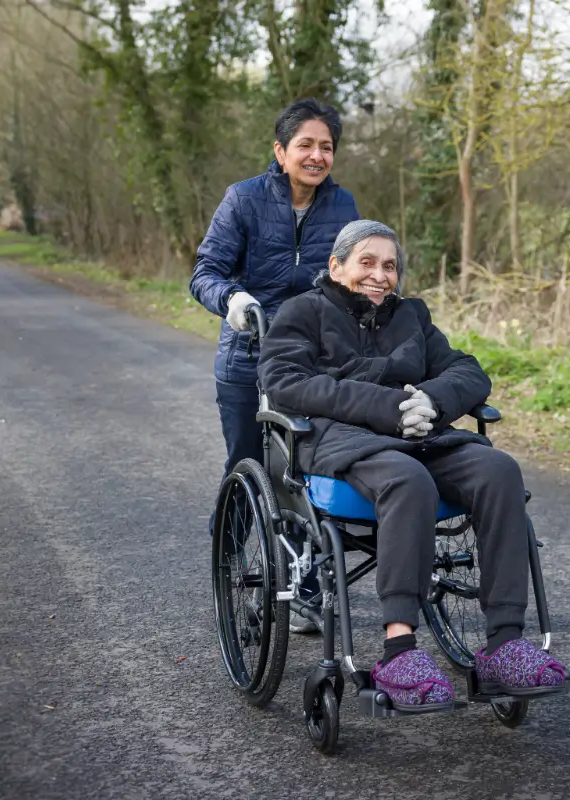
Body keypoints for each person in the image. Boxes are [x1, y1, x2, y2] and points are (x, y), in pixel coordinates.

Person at [257, 220, 569, 708]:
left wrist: (430, 400)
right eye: (366, 262)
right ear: (336, 265)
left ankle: (504, 644)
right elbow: (286, 382)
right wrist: (386, 408)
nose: (380, 275)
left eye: (389, 265)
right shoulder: (304, 312)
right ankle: (399, 650)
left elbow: (468, 371)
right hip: (346, 440)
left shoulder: (411, 316)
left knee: (499, 470)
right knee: (409, 481)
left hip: (424, 437)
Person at [190, 98, 360, 634]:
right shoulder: (242, 200)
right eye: (305, 145)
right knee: (251, 463)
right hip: (247, 357)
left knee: (306, 467)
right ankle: (232, 563)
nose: (316, 155)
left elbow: (351, 278)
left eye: (326, 146)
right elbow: (205, 271)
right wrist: (234, 299)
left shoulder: (343, 206)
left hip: (313, 361)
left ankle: (306, 577)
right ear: (280, 151)